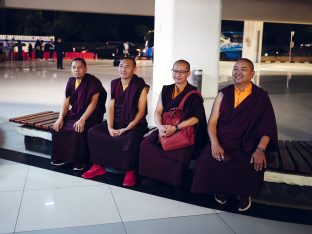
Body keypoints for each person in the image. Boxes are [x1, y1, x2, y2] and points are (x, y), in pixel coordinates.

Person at [191, 58, 278, 212]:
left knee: (251, 162)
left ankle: (245, 194)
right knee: (207, 159)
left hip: (248, 143)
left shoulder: (261, 96)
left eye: (243, 69)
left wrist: (260, 149)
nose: (238, 72)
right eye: (235, 69)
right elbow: (212, 122)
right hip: (223, 140)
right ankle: (220, 189)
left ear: (252, 74)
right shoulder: (223, 94)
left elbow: (267, 127)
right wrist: (215, 143)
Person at [139, 59, 208, 189]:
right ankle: (152, 176)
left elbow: (196, 119)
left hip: (182, 130)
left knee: (179, 150)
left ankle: (173, 181)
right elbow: (158, 111)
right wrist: (159, 127)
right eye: (175, 71)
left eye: (182, 72)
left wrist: (175, 128)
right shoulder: (166, 89)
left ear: (188, 73)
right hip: (164, 127)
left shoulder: (194, 94)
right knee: (145, 144)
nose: (178, 74)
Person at [82, 57, 149, 187]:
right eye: (121, 66)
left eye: (127, 66)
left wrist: (126, 129)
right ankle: (98, 166)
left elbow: (141, 111)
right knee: (93, 132)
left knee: (130, 139)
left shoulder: (141, 86)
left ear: (135, 69)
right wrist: (110, 127)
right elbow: (111, 107)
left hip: (134, 124)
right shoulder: (114, 83)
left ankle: (130, 172)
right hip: (117, 121)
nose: (123, 69)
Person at [51, 58, 107, 170]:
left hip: (91, 115)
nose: (77, 70)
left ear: (85, 69)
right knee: (58, 128)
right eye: (74, 67)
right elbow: (66, 102)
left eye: (80, 67)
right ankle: (62, 157)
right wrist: (60, 118)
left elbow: (93, 103)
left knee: (77, 130)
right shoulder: (71, 81)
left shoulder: (93, 82)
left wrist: (82, 120)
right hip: (75, 113)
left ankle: (79, 161)